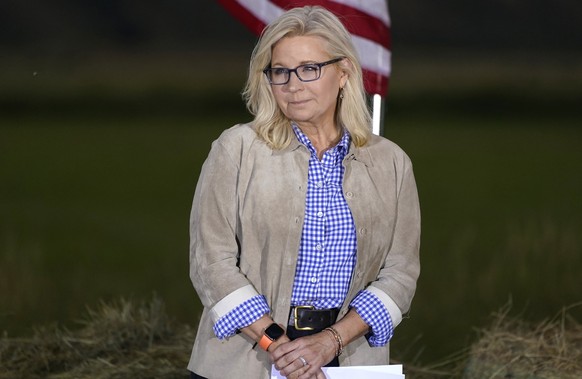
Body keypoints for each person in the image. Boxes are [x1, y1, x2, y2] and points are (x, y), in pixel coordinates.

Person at [188, 6, 420, 379]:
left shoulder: (392, 163)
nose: (293, 85)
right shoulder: (236, 149)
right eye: (280, 71)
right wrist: (280, 348)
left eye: (309, 69)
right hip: (252, 359)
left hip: (348, 360)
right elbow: (210, 261)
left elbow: (401, 273)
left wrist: (330, 342)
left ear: (343, 73)